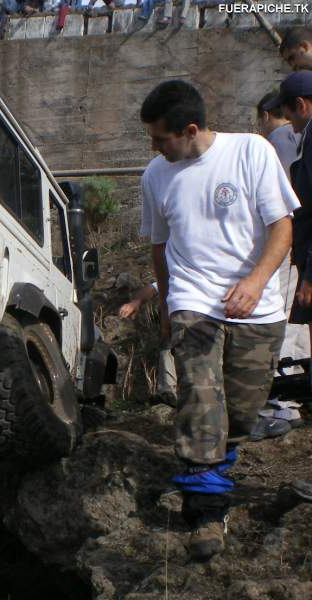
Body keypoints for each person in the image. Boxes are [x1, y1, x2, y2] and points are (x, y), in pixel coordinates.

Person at [140, 80, 298, 561]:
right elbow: (159, 249)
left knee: (243, 412)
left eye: (161, 138)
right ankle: (205, 510)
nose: (154, 148)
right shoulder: (155, 175)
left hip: (259, 303)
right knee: (201, 396)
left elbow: (282, 226)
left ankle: (210, 471)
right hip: (194, 301)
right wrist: (169, 307)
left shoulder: (251, 152)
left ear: (190, 129)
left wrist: (255, 281)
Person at [257, 90, 311, 371]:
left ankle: (285, 383)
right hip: (301, 235)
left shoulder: (274, 141)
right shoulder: (301, 134)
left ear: (266, 116)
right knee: (300, 309)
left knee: (283, 307)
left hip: (284, 231)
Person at [118, 282, 177, 406]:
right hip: (178, 322)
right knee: (167, 344)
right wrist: (136, 302)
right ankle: (168, 392)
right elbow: (155, 287)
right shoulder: (178, 270)